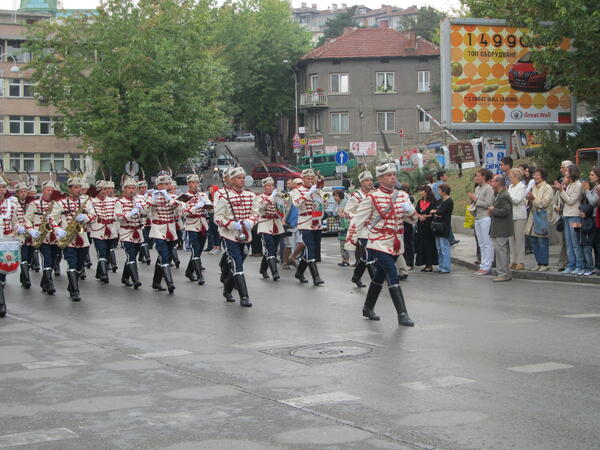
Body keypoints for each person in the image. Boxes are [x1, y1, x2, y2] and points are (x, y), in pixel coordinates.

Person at [348, 162, 418, 326]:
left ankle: (367, 307)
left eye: (394, 174)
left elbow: (413, 220)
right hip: (378, 242)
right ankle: (402, 314)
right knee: (392, 273)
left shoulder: (402, 195)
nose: (393, 177)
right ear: (380, 178)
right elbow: (357, 221)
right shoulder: (372, 197)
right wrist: (350, 244)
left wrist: (410, 211)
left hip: (395, 243)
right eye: (389, 175)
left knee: (379, 274)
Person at [214, 166, 257, 307]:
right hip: (230, 234)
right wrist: (233, 225)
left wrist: (251, 221)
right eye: (238, 178)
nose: (242, 180)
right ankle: (244, 297)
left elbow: (255, 213)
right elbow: (218, 217)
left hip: (246, 234)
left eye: (243, 177)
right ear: (231, 180)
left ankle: (227, 289)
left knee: (238, 262)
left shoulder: (250, 195)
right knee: (237, 262)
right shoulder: (224, 196)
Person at [50, 176, 95, 302]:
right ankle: (75, 291)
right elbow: (51, 218)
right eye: (75, 187)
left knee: (80, 266)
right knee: (72, 263)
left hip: (83, 237)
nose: (78, 190)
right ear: (70, 189)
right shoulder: (61, 202)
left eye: (79, 187)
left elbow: (94, 216)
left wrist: (85, 218)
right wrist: (57, 229)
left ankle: (71, 286)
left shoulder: (86, 201)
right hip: (68, 237)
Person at [291, 168, 325, 286]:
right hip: (305, 222)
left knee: (313, 250)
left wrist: (319, 192)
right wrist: (308, 193)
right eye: (308, 178)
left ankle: (299, 272)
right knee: (310, 247)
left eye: (312, 178)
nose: (310, 180)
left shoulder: (316, 190)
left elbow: (324, 200)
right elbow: (296, 203)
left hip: (316, 222)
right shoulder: (297, 191)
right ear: (303, 179)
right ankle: (316, 277)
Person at [25, 179, 60, 295]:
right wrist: (30, 230)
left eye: (52, 190)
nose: (50, 192)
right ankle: (49, 283)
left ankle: (44, 282)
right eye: (47, 190)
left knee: (54, 259)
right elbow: (27, 219)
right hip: (42, 236)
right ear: (42, 190)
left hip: (54, 236)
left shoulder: (57, 204)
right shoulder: (34, 204)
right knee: (47, 258)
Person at [146, 174, 179, 293]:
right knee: (164, 256)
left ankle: (156, 281)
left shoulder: (174, 197)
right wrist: (152, 200)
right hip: (158, 229)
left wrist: (169, 198)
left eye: (169, 184)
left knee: (165, 256)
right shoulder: (152, 197)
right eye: (166, 184)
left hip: (171, 230)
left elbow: (181, 209)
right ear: (159, 186)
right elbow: (144, 211)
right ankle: (170, 283)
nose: (169, 186)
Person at [344, 170, 374, 287]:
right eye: (366, 180)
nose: (369, 182)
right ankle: (375, 282)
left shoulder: (375, 194)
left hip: (375, 229)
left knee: (366, 257)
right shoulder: (356, 196)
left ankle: (356, 277)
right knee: (368, 255)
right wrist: (358, 218)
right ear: (361, 183)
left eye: (370, 180)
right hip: (362, 230)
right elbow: (347, 212)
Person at [114, 176, 144, 288]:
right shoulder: (119, 202)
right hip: (126, 232)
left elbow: (147, 215)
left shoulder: (138, 200)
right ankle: (136, 279)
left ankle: (125, 277)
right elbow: (118, 217)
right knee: (130, 255)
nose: (131, 190)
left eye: (133, 188)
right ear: (124, 189)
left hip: (137, 231)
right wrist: (130, 214)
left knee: (133, 255)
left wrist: (142, 209)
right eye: (129, 188)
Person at [554, 164, 584, 275]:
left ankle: (579, 265)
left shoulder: (578, 185)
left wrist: (562, 190)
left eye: (567, 171)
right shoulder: (569, 184)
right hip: (566, 215)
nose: (565, 173)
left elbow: (571, 201)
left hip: (575, 215)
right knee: (569, 243)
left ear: (572, 172)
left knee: (576, 242)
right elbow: (563, 201)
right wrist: (562, 189)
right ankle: (571, 265)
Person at [182, 174, 211, 285]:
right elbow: (184, 212)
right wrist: (195, 207)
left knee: (199, 250)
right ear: (188, 184)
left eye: (197, 183)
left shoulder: (202, 195)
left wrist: (206, 203)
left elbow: (210, 208)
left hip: (203, 224)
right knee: (195, 248)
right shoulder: (184, 196)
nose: (195, 185)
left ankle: (189, 271)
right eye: (193, 183)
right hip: (191, 224)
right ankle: (199, 276)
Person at [254, 177, 285, 280]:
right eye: (269, 185)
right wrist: (271, 197)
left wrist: (281, 198)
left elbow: (283, 208)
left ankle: (263, 269)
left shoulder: (277, 196)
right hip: (265, 225)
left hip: (276, 224)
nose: (271, 187)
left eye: (272, 185)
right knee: (270, 248)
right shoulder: (259, 197)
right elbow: (260, 207)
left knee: (272, 249)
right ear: (264, 187)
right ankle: (275, 273)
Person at [525, 168, 554, 271]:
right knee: (533, 241)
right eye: (534, 174)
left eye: (538, 175)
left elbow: (544, 203)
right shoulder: (533, 186)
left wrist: (533, 199)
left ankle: (545, 263)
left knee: (542, 240)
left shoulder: (547, 188)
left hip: (542, 217)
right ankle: (538, 262)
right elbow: (528, 202)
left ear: (543, 176)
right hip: (533, 217)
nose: (535, 177)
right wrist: (528, 199)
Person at [89, 180, 118, 284]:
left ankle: (99, 272)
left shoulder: (113, 200)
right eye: (101, 189)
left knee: (107, 252)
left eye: (105, 189)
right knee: (101, 251)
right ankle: (105, 275)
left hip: (110, 230)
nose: (103, 191)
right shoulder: (91, 201)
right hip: (98, 229)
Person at [468, 169, 495, 275]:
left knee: (487, 243)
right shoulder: (478, 188)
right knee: (481, 243)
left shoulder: (489, 188)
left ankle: (487, 266)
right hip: (477, 217)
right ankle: (483, 264)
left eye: (478, 176)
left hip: (485, 217)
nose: (476, 178)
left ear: (484, 177)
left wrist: (475, 200)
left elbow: (489, 204)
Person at [489, 174, 514, 282]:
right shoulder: (499, 194)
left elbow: (505, 211)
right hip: (499, 227)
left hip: (502, 228)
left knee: (501, 251)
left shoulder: (504, 195)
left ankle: (503, 273)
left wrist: (493, 210)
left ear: (499, 182)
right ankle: (505, 272)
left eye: (494, 181)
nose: (492, 183)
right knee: (502, 251)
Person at [13, 181, 33, 289]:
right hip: (20, 235)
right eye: (21, 191)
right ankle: (26, 280)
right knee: (24, 256)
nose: (23, 193)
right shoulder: (14, 205)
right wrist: (18, 227)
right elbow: (13, 219)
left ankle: (23, 276)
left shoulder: (31, 204)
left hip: (30, 234)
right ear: (17, 193)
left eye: (25, 191)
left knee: (29, 258)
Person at [414, 185, 438, 272]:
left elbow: (435, 213)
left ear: (426, 192)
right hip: (421, 226)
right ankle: (425, 263)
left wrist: (426, 216)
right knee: (422, 245)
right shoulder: (419, 201)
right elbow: (415, 211)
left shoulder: (433, 201)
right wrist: (420, 216)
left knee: (429, 245)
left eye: (422, 191)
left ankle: (430, 264)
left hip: (429, 226)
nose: (420, 192)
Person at [508, 168, 527, 270]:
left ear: (516, 177)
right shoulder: (510, 186)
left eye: (511, 176)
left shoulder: (522, 187)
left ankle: (521, 261)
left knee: (519, 239)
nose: (509, 178)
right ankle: (513, 260)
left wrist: (507, 196)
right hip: (510, 216)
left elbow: (517, 200)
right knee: (511, 240)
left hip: (519, 216)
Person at [432, 183, 454, 273]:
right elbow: (435, 211)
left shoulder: (449, 201)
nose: (438, 192)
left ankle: (446, 267)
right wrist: (436, 212)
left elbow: (441, 212)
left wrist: (436, 212)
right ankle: (441, 266)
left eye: (440, 190)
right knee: (439, 248)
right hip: (437, 225)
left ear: (444, 191)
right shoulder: (440, 201)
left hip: (444, 226)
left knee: (444, 247)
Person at [582, 167, 600, 274]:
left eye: (592, 175)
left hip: (595, 217)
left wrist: (587, 190)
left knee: (597, 243)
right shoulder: (595, 188)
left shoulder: (597, 188)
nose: (590, 177)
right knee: (594, 243)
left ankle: (597, 265)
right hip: (592, 217)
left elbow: (593, 202)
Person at [332, 189, 350, 266]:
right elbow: (334, 212)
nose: (335, 198)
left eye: (336, 196)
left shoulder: (344, 202)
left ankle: (346, 260)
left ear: (340, 196)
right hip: (342, 224)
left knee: (343, 243)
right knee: (342, 243)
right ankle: (344, 260)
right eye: (334, 196)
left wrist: (338, 212)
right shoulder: (338, 203)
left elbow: (339, 213)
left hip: (345, 225)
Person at [137, 180, 152, 265]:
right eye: (141, 187)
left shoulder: (149, 196)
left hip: (150, 221)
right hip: (141, 221)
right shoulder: (137, 197)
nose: (143, 189)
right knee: (144, 239)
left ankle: (140, 256)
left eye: (145, 187)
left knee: (149, 240)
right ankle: (147, 257)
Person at [578, 203, 596, 276]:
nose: (580, 213)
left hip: (588, 241)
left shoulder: (591, 220)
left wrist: (581, 227)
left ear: (587, 212)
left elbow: (588, 229)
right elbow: (580, 229)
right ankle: (583, 268)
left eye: (582, 212)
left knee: (588, 255)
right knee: (582, 255)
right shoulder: (582, 220)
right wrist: (576, 227)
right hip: (582, 240)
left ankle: (590, 268)